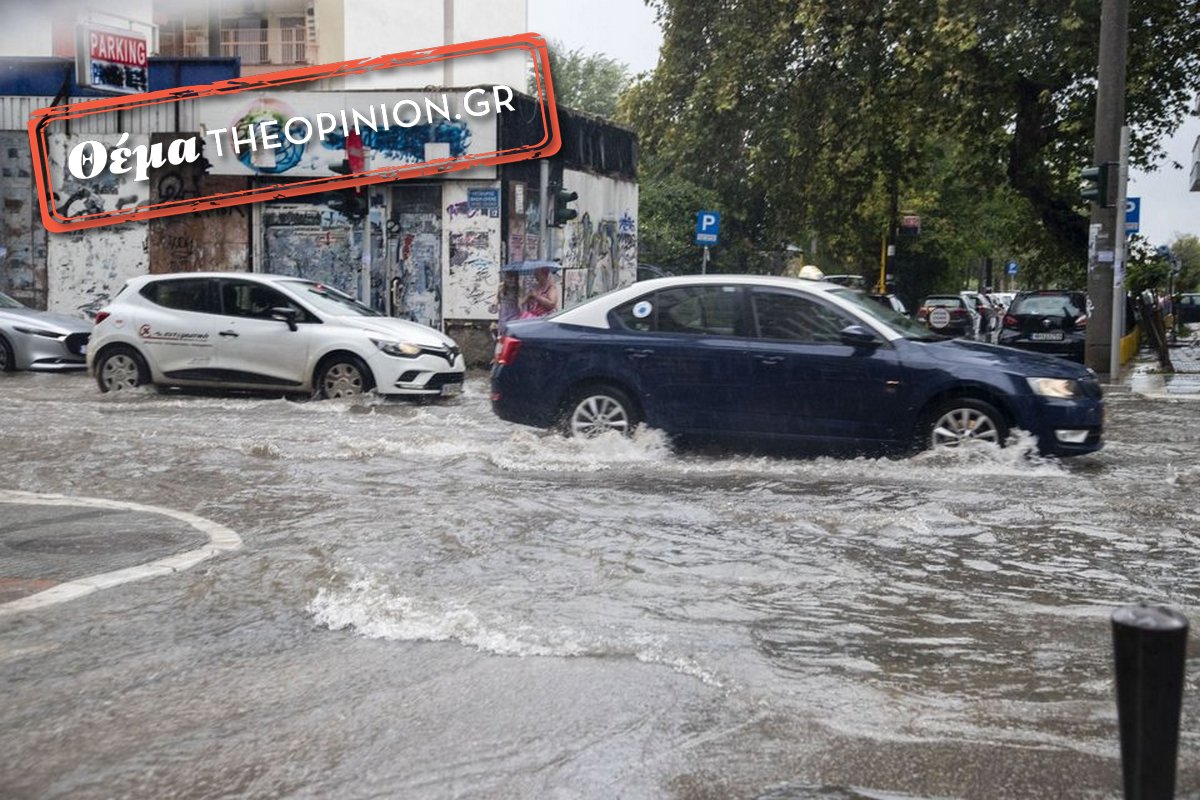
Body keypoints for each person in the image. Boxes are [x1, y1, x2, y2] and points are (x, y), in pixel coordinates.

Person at [495, 271, 522, 336]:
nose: (511, 281)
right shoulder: (501, 286)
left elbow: (521, 302)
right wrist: (495, 305)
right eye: (509, 278)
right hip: (504, 311)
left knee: (511, 330)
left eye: (513, 278)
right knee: (502, 328)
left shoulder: (518, 288)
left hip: (513, 312)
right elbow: (498, 299)